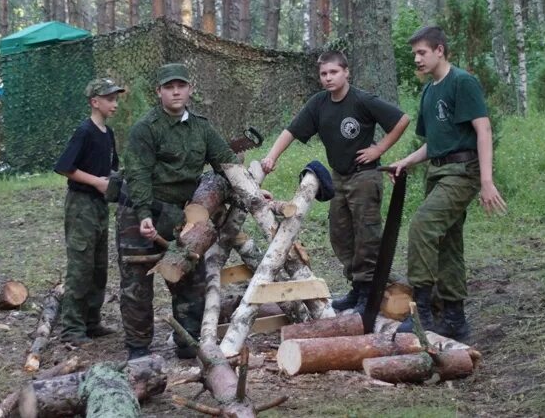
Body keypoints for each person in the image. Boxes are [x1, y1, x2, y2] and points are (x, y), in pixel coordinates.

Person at [261, 51, 410, 314]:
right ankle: (357, 288)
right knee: (340, 235)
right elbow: (291, 131)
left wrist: (379, 149)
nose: (328, 78)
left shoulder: (362, 100)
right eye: (323, 74)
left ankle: (369, 294)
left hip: (364, 176)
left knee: (367, 235)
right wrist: (271, 157)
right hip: (339, 178)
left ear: (346, 72)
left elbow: (401, 120)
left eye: (333, 72)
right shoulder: (319, 104)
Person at [390, 26, 507, 341]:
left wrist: (486, 180)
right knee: (448, 242)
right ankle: (455, 319)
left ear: (439, 50)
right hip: (438, 173)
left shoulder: (462, 82)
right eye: (414, 53)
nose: (417, 59)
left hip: (463, 172)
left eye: (421, 52)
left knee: (422, 227)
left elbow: (483, 130)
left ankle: (423, 314)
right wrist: (406, 161)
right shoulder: (429, 91)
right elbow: (434, 144)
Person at [117, 63, 238, 361]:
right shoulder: (146, 129)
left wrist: (252, 190)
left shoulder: (201, 127)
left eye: (180, 86)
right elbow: (138, 175)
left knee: (190, 280)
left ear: (189, 89)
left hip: (182, 217)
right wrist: (144, 213)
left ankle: (187, 341)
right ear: (159, 92)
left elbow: (227, 162)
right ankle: (138, 349)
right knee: (137, 284)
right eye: (169, 87)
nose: (175, 92)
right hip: (139, 213)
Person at [54, 77, 125, 346]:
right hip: (81, 204)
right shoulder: (84, 131)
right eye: (109, 99)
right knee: (80, 266)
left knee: (98, 266)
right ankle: (72, 328)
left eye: (115, 99)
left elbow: (111, 169)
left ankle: (92, 322)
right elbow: (64, 167)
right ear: (95, 102)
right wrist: (96, 182)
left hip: (99, 206)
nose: (114, 104)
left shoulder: (108, 134)